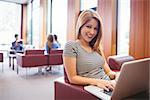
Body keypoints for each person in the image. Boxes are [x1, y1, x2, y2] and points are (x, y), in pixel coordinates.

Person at [63, 9, 117, 92]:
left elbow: (109, 72)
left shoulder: (97, 47)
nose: (92, 32)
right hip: (95, 88)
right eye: (88, 27)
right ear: (80, 26)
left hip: (108, 85)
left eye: (95, 29)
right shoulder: (71, 46)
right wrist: (98, 82)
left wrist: (118, 75)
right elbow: (72, 78)